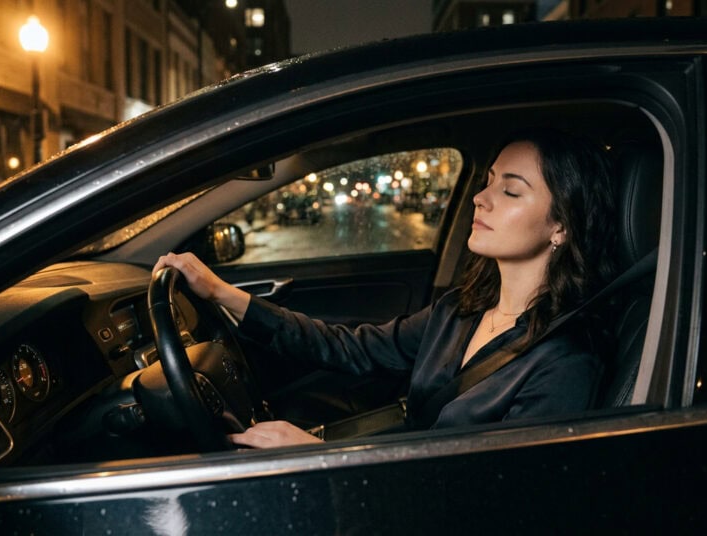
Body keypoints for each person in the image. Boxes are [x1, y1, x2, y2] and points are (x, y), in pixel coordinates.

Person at [153, 128, 618, 449]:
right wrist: (220, 293)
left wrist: (321, 455)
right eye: (488, 180)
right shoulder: (462, 309)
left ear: (562, 226)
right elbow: (350, 349)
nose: (481, 197)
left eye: (511, 191)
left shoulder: (566, 363)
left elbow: (490, 501)